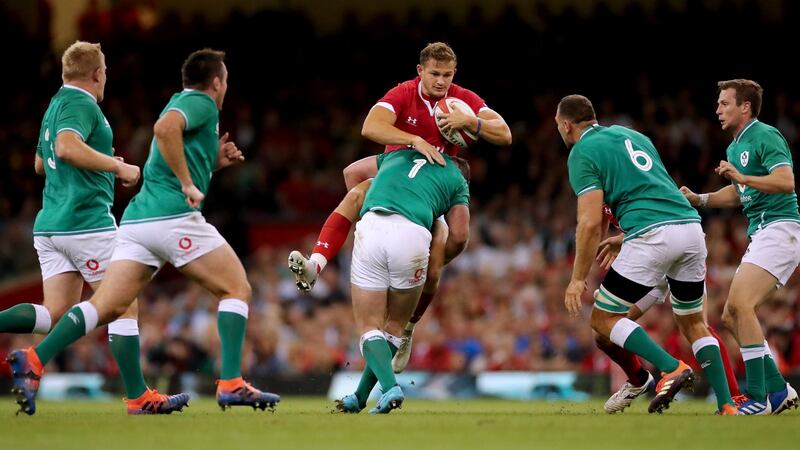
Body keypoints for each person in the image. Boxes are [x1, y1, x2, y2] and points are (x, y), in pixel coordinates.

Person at [7, 48, 279, 415]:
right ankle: (227, 382)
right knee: (236, 288)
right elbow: (161, 130)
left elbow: (43, 163)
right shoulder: (200, 103)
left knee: (101, 306)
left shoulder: (57, 106)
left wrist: (209, 164)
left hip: (131, 221)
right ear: (217, 82)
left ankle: (35, 360)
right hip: (121, 220)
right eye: (225, 80)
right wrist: (145, 175)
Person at [288, 42, 511, 372]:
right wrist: (414, 139)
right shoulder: (404, 93)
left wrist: (471, 121)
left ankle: (407, 326)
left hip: (435, 181)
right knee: (354, 185)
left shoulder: (462, 99)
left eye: (447, 75)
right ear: (420, 71)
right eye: (435, 74)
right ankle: (317, 263)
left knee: (455, 242)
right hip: (397, 166)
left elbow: (504, 134)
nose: (441, 81)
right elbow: (370, 126)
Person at [0, 41, 188, 416]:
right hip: (85, 222)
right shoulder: (81, 104)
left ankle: (128, 392)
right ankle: (137, 396)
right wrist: (116, 167)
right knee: (122, 304)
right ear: (98, 74)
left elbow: (42, 163)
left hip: (51, 224)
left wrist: (99, 162)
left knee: (55, 313)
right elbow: (67, 149)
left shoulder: (54, 105)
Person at [558, 94, 736, 415]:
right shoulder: (634, 136)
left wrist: (577, 279)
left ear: (566, 125)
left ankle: (670, 368)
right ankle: (726, 406)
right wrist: (622, 236)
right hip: (690, 230)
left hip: (652, 240)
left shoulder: (582, 152)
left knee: (602, 318)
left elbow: (587, 223)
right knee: (693, 323)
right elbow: (655, 193)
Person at [680, 79, 799, 415]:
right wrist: (700, 198)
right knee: (731, 315)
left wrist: (743, 177)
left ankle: (758, 397)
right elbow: (738, 194)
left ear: (745, 107)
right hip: (761, 232)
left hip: (780, 228)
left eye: (724, 103)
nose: (718, 109)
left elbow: (786, 180)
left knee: (741, 306)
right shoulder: (735, 148)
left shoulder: (765, 135)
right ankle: (779, 391)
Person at [332, 148, 470, 414]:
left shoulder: (401, 157)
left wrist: (372, 202)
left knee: (370, 326)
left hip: (377, 224)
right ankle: (360, 396)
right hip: (417, 250)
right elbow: (460, 238)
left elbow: (351, 173)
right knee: (395, 327)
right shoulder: (443, 211)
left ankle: (391, 387)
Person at [595, 208, 742, 414]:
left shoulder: (619, 181)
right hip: (664, 248)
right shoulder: (610, 190)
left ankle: (730, 398)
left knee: (697, 326)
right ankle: (639, 379)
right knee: (604, 329)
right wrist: (624, 238)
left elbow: (655, 217)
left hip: (662, 248)